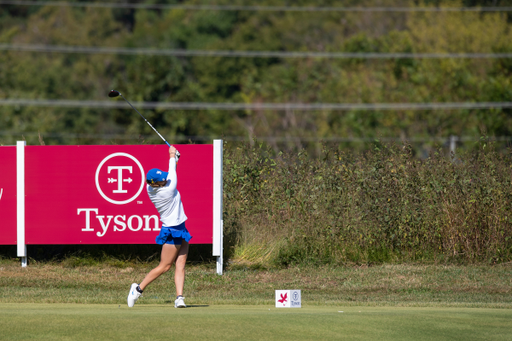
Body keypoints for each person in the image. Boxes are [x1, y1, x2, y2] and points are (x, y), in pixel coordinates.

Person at [127, 146, 192, 308]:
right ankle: (138, 289)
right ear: (156, 184)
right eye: (162, 179)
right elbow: (172, 171)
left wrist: (175, 158)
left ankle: (179, 298)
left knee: (181, 264)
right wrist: (172, 155)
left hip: (181, 228)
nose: (166, 179)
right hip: (172, 230)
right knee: (165, 266)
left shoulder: (151, 188)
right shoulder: (168, 190)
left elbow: (170, 171)